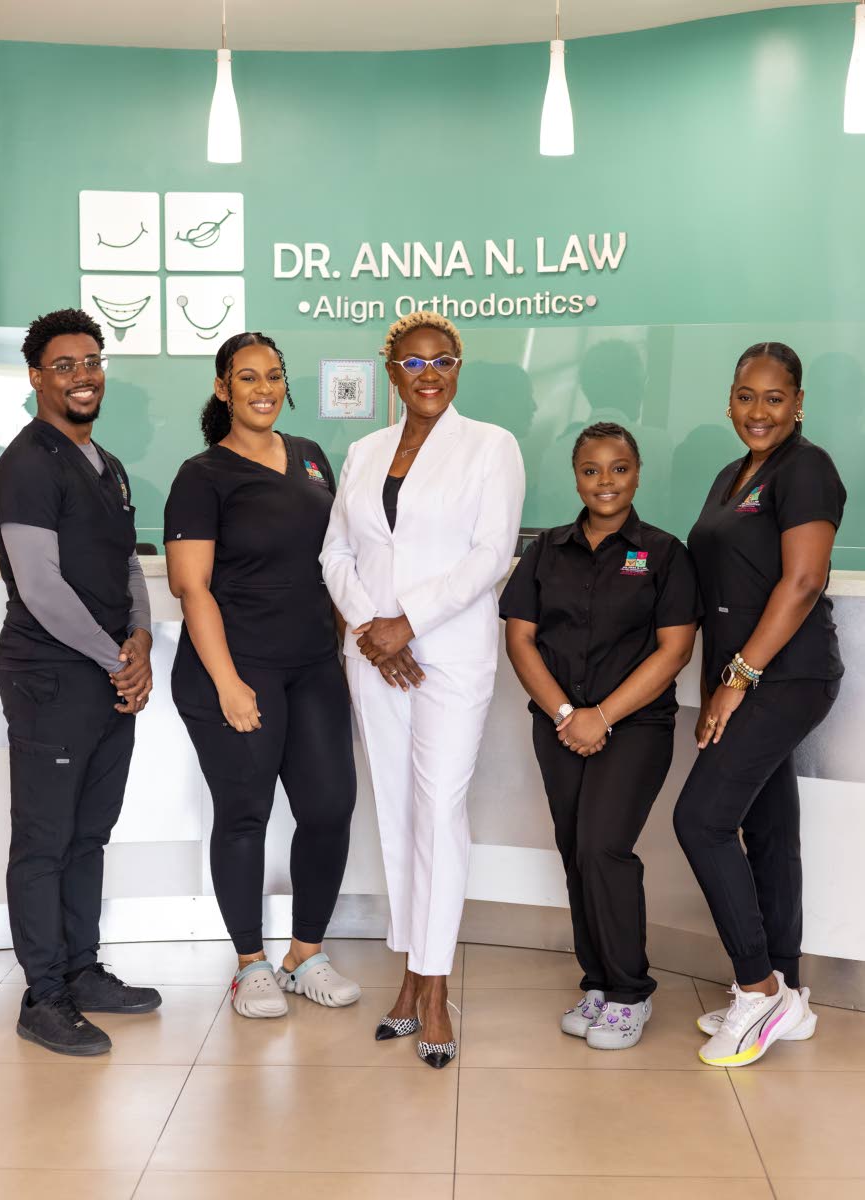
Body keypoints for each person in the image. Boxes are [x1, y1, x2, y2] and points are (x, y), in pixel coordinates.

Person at [321, 312, 525, 1068]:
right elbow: (335, 550)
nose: (428, 372)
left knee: (438, 809)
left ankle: (434, 986)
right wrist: (370, 627)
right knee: (398, 813)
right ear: (391, 373)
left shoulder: (490, 446)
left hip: (446, 654)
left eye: (442, 360)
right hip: (373, 655)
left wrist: (407, 622)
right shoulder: (363, 450)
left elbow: (490, 554)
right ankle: (408, 975)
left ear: (459, 367)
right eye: (412, 362)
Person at [164, 332, 358, 1019]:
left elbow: (334, 564)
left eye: (273, 375)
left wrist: (347, 653)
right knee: (244, 814)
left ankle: (305, 955)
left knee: (330, 807)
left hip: (311, 666)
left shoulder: (309, 458)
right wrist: (226, 682)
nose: (263, 388)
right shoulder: (202, 475)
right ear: (223, 389)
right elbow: (193, 589)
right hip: (236, 669)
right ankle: (249, 964)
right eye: (247, 378)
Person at [501, 422, 699, 1049]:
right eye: (591, 469)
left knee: (603, 847)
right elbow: (519, 637)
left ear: (637, 473)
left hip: (635, 726)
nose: (605, 481)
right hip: (559, 725)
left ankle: (629, 992)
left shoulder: (664, 553)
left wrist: (601, 715)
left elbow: (674, 650)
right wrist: (566, 714)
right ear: (576, 475)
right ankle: (597, 979)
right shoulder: (546, 550)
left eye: (618, 468)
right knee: (573, 846)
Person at [674, 342, 845, 1068]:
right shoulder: (730, 474)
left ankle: (757, 987)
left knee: (700, 821)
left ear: (798, 403)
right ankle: (792, 996)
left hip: (784, 677)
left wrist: (736, 678)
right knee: (769, 831)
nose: (758, 410)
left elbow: (802, 581)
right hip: (745, 676)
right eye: (746, 395)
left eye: (774, 398)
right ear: (729, 399)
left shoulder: (806, 468)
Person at [0, 308, 159, 1057]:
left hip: (103, 675)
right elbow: (39, 585)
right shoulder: (26, 463)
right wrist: (110, 656)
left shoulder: (110, 465)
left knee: (90, 833)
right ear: (36, 377)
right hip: (51, 679)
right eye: (64, 364)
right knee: (44, 839)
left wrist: (142, 643)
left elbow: (127, 565)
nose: (83, 375)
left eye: (91, 361)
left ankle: (83, 970)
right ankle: (45, 993)